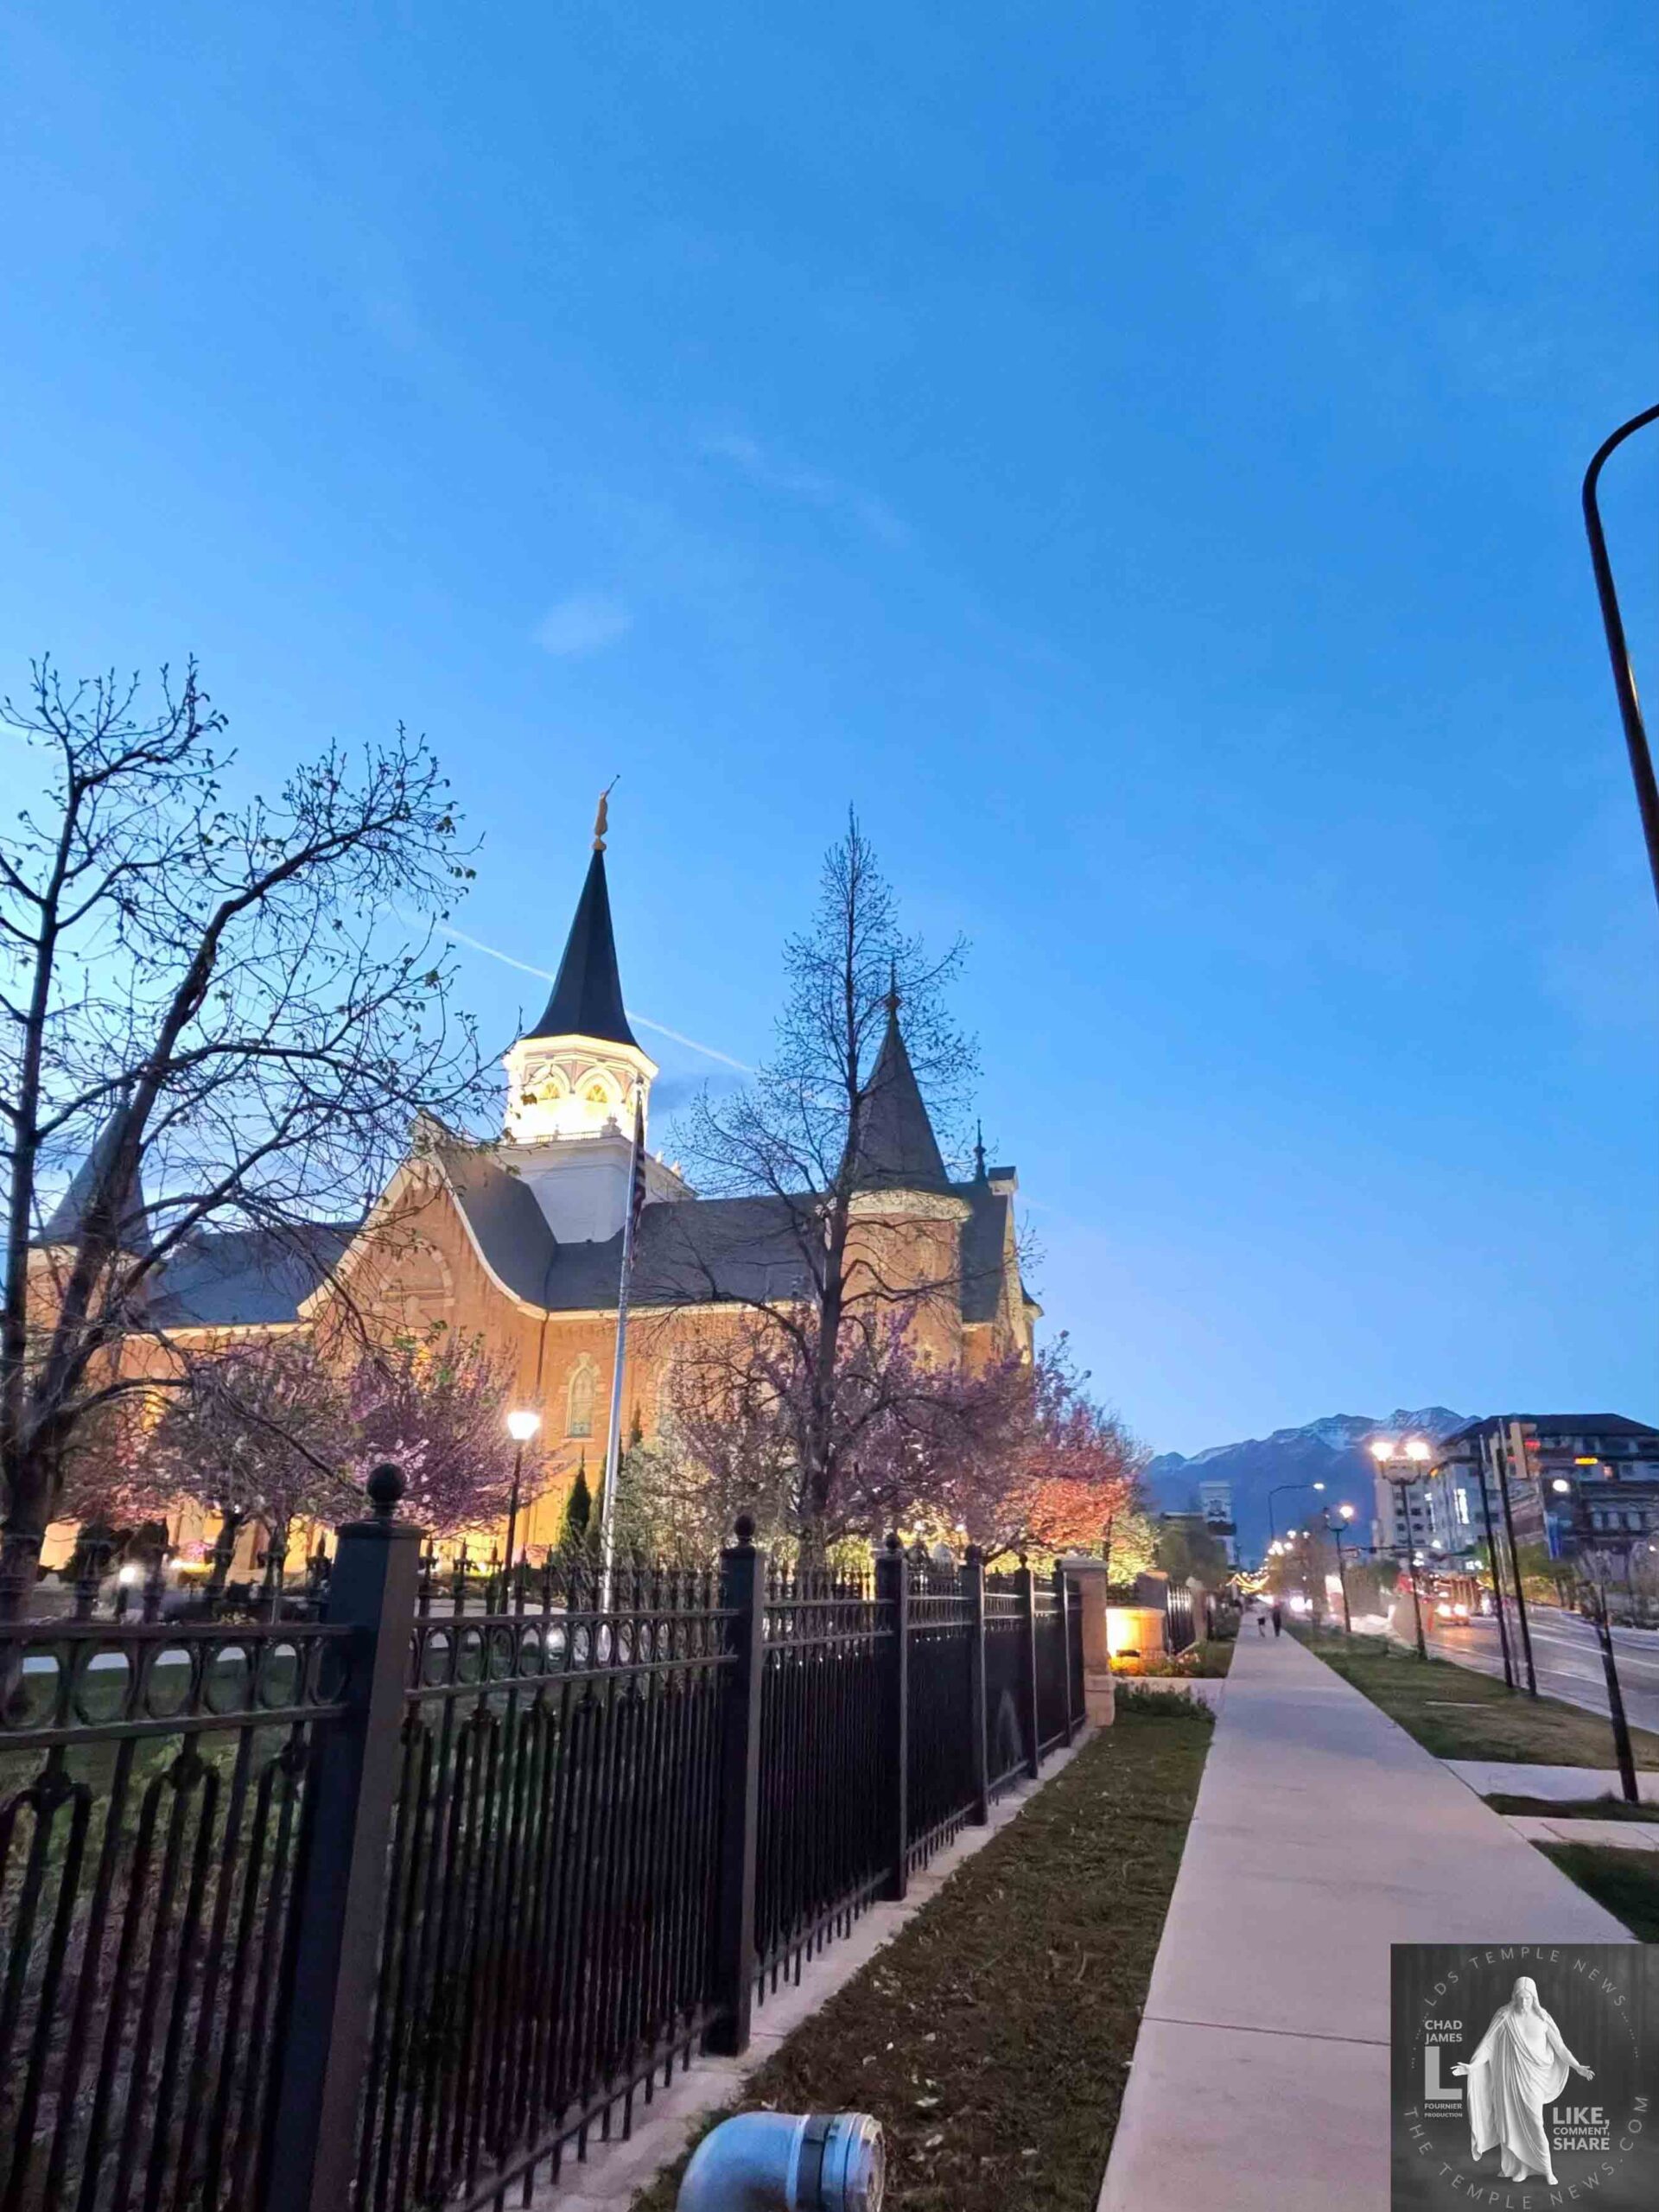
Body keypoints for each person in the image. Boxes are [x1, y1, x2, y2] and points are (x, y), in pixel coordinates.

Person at [1452, 1975, 1592, 2188]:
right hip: (1509, 2080)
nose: (1523, 2002)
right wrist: (1472, 2067)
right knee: (1512, 2124)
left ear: (1534, 1997)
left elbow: (1560, 2048)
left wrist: (1577, 2066)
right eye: (1520, 1997)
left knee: (1536, 2124)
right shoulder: (1504, 2017)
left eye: (1528, 1998)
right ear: (1514, 1997)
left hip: (1533, 2079)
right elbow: (1488, 2046)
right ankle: (1521, 2168)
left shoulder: (1543, 2018)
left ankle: (1547, 2170)